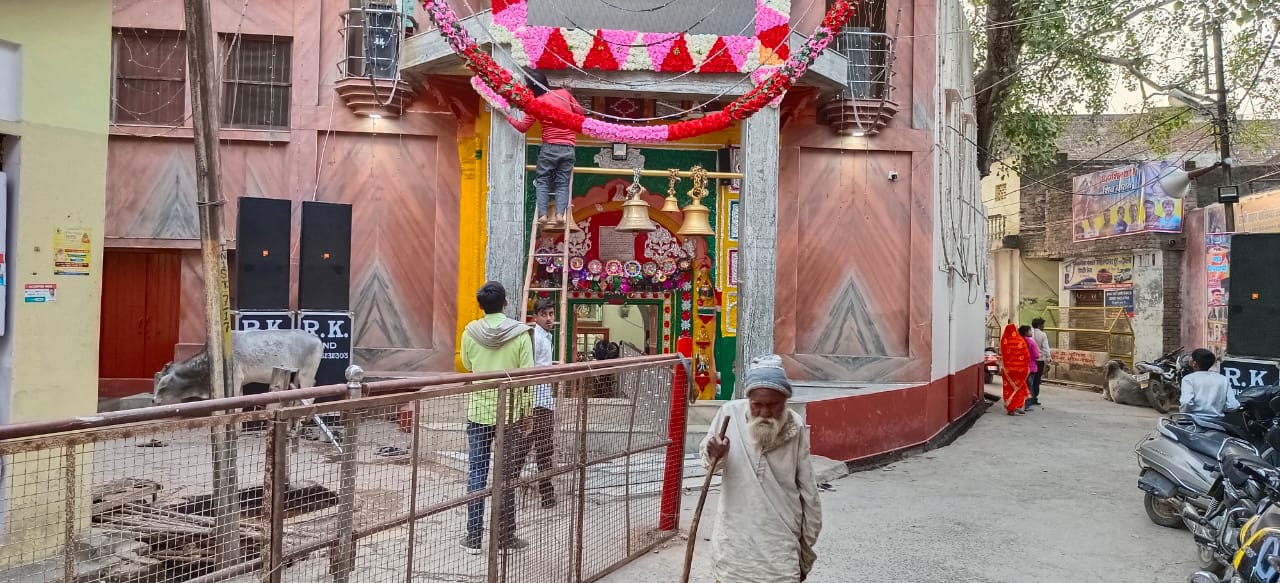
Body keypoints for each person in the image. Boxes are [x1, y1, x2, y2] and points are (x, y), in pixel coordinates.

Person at [701, 355, 822, 582]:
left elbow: (809, 495)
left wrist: (805, 553)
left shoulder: (795, 426)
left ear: (785, 400)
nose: (765, 413)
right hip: (734, 550)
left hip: (779, 549)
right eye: (757, 405)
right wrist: (715, 454)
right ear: (748, 400)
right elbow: (709, 465)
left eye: (773, 405)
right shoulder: (729, 415)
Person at [459, 281, 536, 554]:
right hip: (511, 413)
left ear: (481, 306)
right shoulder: (521, 334)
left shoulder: (470, 331)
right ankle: (505, 537)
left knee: (477, 474)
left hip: (479, 412)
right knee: (506, 476)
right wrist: (527, 412)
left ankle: (472, 538)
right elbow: (528, 375)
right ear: (505, 302)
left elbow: (467, 365)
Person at [506, 69, 584, 226]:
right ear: (546, 81)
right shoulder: (563, 93)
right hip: (568, 147)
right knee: (562, 183)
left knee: (543, 181)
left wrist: (506, 115)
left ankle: (542, 215)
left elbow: (523, 127)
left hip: (549, 148)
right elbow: (580, 113)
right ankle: (561, 214)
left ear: (530, 89)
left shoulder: (535, 104)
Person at [528, 297, 558, 508]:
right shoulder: (535, 339)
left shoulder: (546, 337)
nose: (549, 319)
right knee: (538, 448)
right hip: (536, 403)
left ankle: (547, 493)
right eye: (544, 315)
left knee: (544, 449)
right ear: (535, 317)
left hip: (544, 400)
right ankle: (546, 494)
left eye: (551, 314)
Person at [1180, 348, 1239, 418]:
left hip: (1194, 423)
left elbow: (1186, 402)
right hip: (1217, 423)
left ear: (1194, 363)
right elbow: (1234, 405)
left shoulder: (1188, 379)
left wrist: (1184, 415)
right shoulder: (1223, 379)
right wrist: (1219, 409)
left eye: (1191, 357)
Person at [1029, 318, 1052, 406]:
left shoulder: (1029, 333)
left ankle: (1029, 398)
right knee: (1037, 380)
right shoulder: (1043, 335)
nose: (1044, 326)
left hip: (1030, 360)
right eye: (1043, 324)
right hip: (1039, 360)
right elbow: (1046, 348)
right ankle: (1034, 398)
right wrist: (1049, 358)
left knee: (1030, 379)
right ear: (1039, 325)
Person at [1019, 325, 1040, 411]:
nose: (1031, 332)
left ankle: (1019, 404)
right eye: (1030, 331)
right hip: (1031, 368)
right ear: (1026, 332)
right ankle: (1026, 406)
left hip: (1020, 367)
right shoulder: (1031, 342)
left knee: (1021, 386)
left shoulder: (1019, 341)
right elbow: (1036, 355)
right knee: (1029, 386)